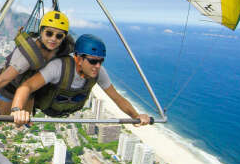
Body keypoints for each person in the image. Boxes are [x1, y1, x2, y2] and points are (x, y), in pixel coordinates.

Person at [0, 11, 73, 132]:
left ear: (64, 37)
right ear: (41, 32)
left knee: (21, 121)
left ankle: (8, 115)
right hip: (9, 86)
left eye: (59, 36)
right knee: (8, 117)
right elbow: (3, 79)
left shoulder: (63, 47)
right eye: (49, 33)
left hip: (27, 87)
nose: (53, 39)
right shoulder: (26, 56)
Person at [10, 34, 151, 126]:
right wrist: (17, 109)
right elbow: (26, 86)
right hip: (48, 107)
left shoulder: (99, 72)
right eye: (92, 61)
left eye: (101, 61)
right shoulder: (58, 67)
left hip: (68, 109)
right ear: (78, 58)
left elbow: (117, 97)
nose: (97, 66)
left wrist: (136, 116)